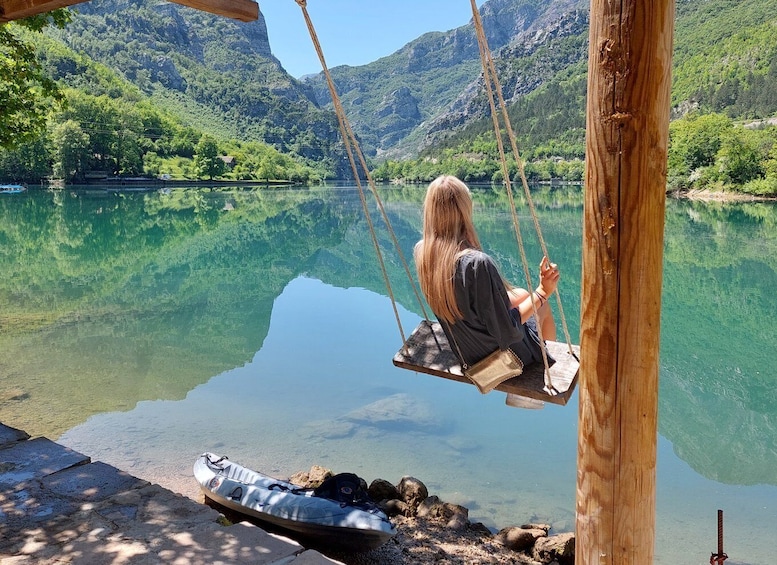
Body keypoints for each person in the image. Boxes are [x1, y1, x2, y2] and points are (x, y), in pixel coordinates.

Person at [414, 175, 559, 371]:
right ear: (465, 209)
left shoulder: (424, 252)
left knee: (523, 295)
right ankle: (544, 368)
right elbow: (507, 331)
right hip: (502, 358)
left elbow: (468, 300)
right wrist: (543, 291)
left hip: (467, 351)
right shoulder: (476, 263)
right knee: (541, 306)